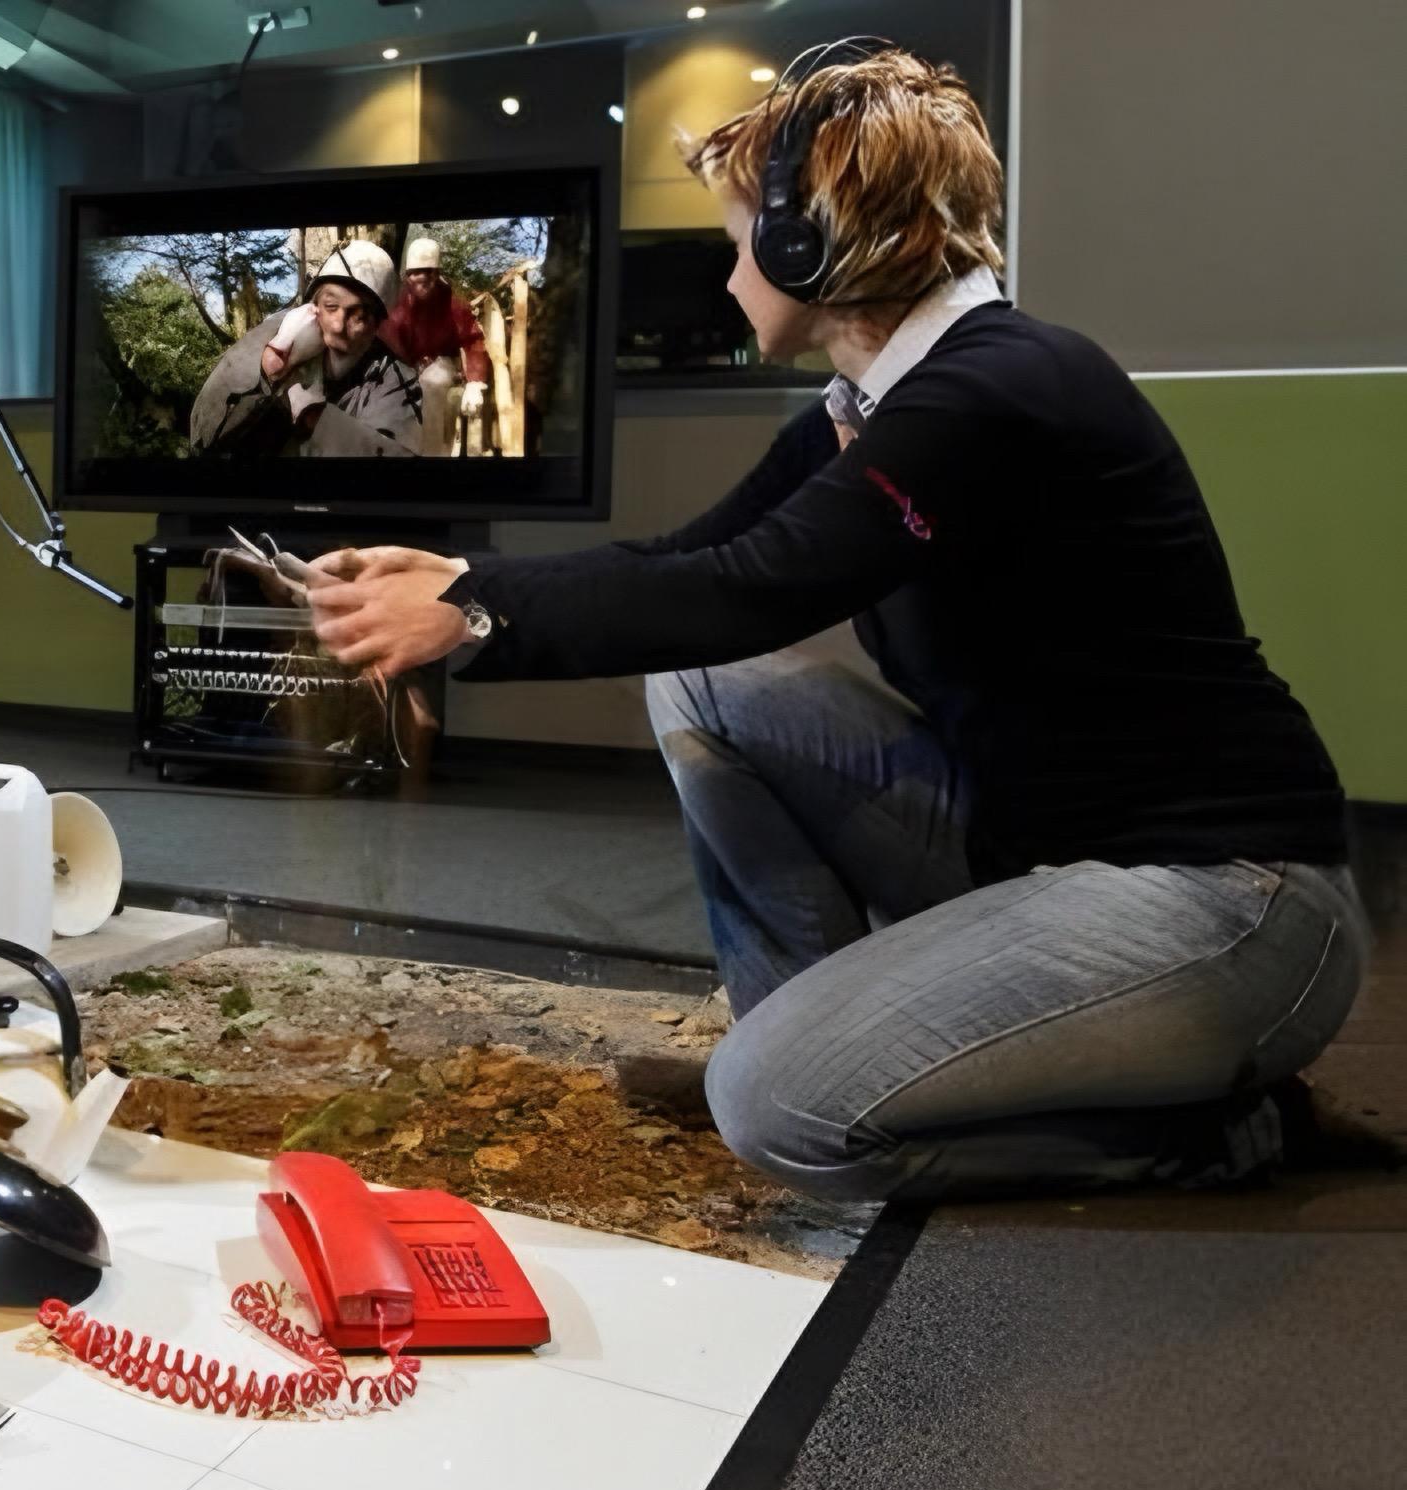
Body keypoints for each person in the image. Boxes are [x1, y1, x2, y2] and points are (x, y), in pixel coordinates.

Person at [304, 41, 1365, 1204]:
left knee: (781, 1112)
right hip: (1042, 850)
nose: (727, 277)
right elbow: (692, 558)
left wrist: (471, 616)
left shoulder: (994, 390)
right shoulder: (875, 405)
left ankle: (1209, 1135)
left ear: (809, 242)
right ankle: (808, 1032)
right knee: (701, 680)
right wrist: (465, 571)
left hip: (1230, 904)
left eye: (737, 243)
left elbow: (752, 584)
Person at [190, 240, 425, 458]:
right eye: (331, 306)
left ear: (376, 328)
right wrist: (268, 371)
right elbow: (203, 438)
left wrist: (317, 419)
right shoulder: (272, 336)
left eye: (359, 316)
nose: (337, 325)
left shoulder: (393, 379)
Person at [377, 236, 492, 455]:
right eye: (415, 273)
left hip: (444, 362)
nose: (422, 279)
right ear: (407, 276)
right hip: (407, 364)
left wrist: (475, 381)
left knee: (433, 382)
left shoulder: (453, 303)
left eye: (429, 272)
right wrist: (409, 365)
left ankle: (432, 454)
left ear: (437, 274)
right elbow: (387, 341)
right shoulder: (397, 304)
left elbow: (472, 340)